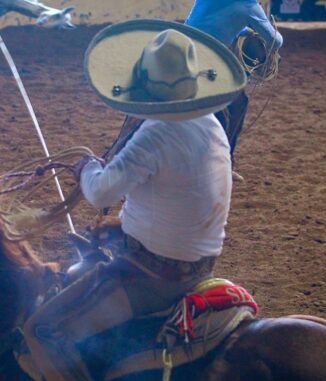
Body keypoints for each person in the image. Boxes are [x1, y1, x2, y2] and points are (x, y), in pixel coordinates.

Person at [22, 19, 246, 381]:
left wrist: (87, 168)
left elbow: (100, 193)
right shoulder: (211, 122)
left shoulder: (156, 134)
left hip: (154, 278)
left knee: (41, 331)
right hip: (200, 263)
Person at [186, 0, 283, 180]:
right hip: (210, 63)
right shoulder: (248, 5)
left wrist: (243, 29)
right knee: (238, 104)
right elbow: (275, 41)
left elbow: (209, 23)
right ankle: (224, 162)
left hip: (185, 53)